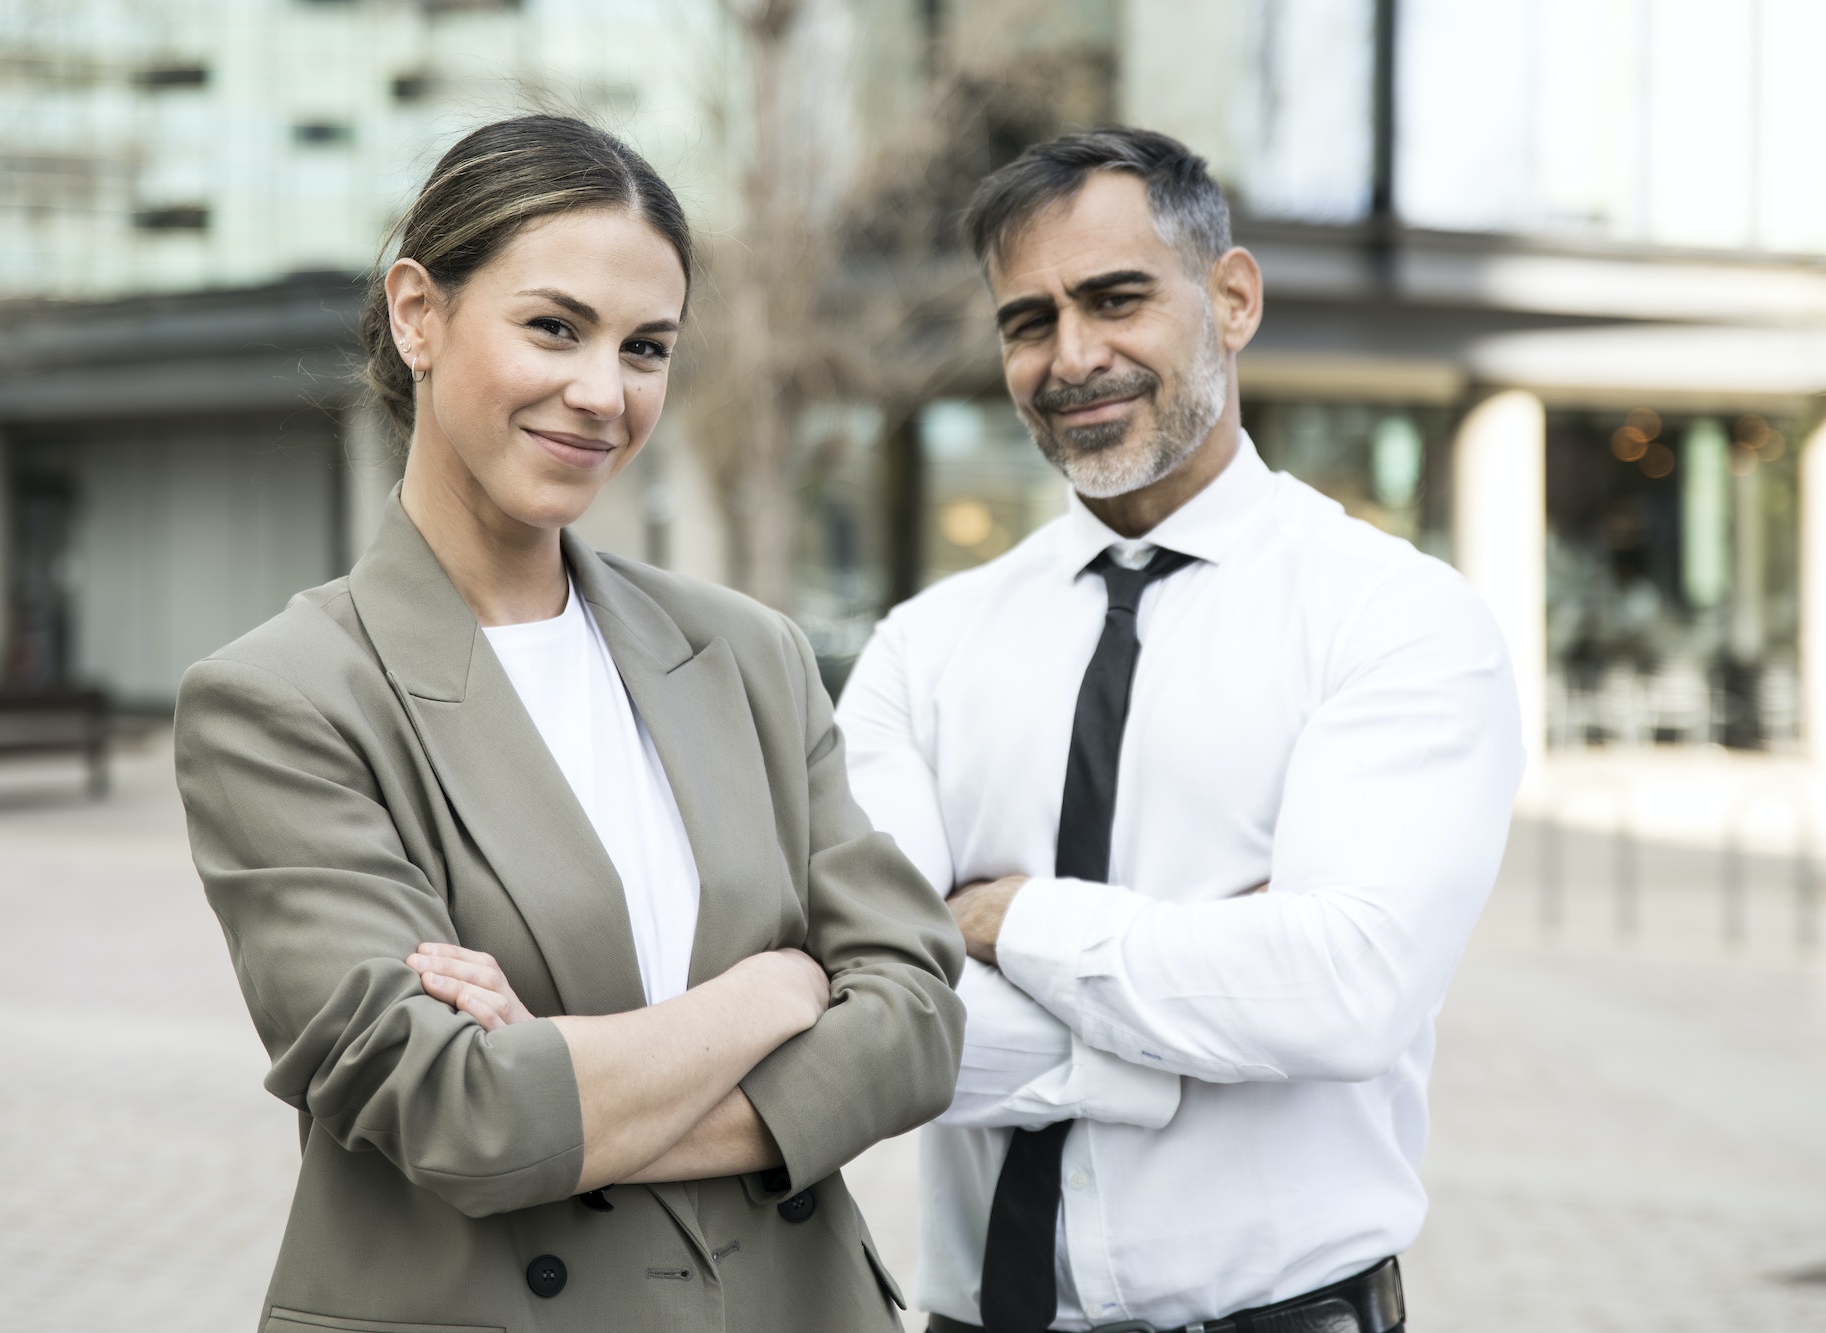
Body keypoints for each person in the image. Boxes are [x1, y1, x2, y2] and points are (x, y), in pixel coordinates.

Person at [173, 115, 965, 1333]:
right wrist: (776, 989)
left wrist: (571, 1090)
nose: (602, 393)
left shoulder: (746, 652)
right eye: (553, 327)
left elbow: (912, 1017)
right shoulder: (284, 699)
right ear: (415, 314)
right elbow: (463, 1116)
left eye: (646, 347)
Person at [836, 127, 1523, 1333]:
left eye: (1114, 299)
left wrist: (1009, 920)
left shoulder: (1391, 617)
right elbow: (872, 1009)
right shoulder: (920, 650)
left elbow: (1344, 992)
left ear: (1231, 299)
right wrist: (1189, 1006)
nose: (1072, 356)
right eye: (1027, 320)